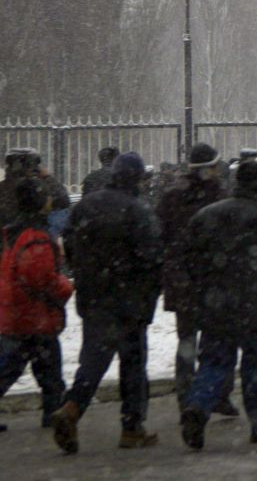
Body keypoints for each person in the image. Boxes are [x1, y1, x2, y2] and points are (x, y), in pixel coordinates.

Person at [178, 160, 257, 449]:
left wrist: (203, 292)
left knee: (214, 361)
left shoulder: (206, 216)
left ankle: (198, 405)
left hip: (216, 304)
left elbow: (189, 260)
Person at [51, 152, 163, 454]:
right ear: (138, 178)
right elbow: (151, 257)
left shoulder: (86, 205)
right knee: (133, 364)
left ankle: (72, 407)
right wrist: (148, 292)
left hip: (94, 296)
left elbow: (69, 247)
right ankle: (132, 427)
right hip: (130, 301)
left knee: (93, 360)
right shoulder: (139, 210)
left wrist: (88, 275)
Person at [154, 143, 237, 418]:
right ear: (210, 168)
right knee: (219, 342)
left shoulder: (171, 197)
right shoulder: (221, 197)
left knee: (186, 341)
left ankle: (186, 399)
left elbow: (161, 237)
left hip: (182, 281)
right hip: (214, 280)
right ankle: (218, 394)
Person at [0, 179, 73, 431]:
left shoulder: (14, 232)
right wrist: (65, 288)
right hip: (35, 316)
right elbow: (41, 278)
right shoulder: (37, 237)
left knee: (9, 368)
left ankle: (53, 414)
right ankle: (53, 415)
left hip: (16, 312)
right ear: (39, 203)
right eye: (46, 197)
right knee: (49, 373)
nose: (50, 200)